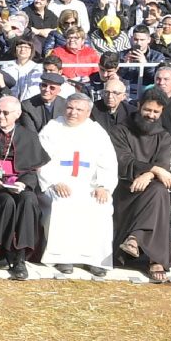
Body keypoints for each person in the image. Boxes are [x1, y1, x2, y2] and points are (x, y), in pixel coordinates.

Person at [34, 88, 116, 275]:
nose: (73, 113)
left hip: (90, 185)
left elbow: (108, 162)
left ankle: (95, 259)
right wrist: (55, 182)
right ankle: (63, 257)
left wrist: (103, 185)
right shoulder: (53, 128)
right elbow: (41, 160)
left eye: (79, 110)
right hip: (59, 183)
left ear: (88, 112)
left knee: (100, 206)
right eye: (70, 108)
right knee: (63, 203)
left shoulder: (96, 132)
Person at [0, 90, 48, 278]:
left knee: (29, 200)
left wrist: (24, 184)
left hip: (18, 184)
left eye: (5, 113)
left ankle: (20, 257)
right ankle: (1, 250)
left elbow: (33, 170)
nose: (0, 116)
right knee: (5, 202)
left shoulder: (28, 136)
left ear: (17, 114)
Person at [111, 89, 171, 282]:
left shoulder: (164, 136)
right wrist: (154, 170)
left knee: (159, 190)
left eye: (156, 112)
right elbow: (123, 161)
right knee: (159, 194)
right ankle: (156, 261)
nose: (151, 115)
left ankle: (135, 239)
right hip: (125, 187)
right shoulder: (120, 130)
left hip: (151, 187)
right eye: (147, 110)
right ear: (139, 106)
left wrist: (149, 174)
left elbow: (163, 164)